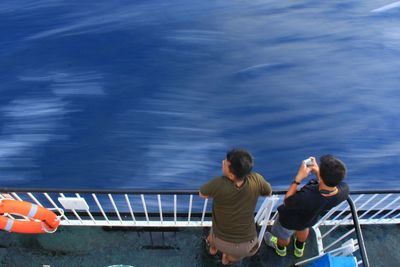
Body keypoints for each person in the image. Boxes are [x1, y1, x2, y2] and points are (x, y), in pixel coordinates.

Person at [264, 155, 349, 258]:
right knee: (303, 229)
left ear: (321, 177)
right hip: (309, 219)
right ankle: (299, 248)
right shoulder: (344, 191)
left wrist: (298, 178)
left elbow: (287, 201)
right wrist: (318, 172)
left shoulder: (307, 196)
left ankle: (281, 249)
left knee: (283, 238)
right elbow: (327, 185)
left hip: (288, 221)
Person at [199, 149, 272, 265]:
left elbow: (202, 194)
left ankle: (212, 250)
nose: (223, 162)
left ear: (231, 175)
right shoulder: (257, 179)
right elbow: (268, 192)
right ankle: (226, 260)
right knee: (232, 257)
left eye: (225, 163)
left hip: (220, 240)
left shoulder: (219, 183)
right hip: (246, 245)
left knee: (211, 237)